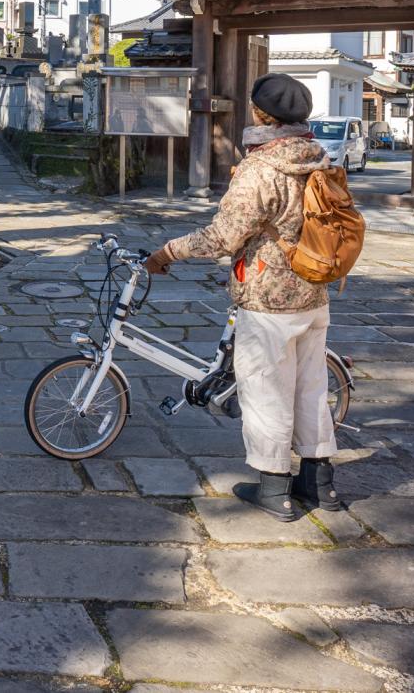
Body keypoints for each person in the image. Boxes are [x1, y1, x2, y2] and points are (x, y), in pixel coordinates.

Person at [143, 73, 341, 520]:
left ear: (258, 114)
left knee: (267, 393)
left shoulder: (260, 168)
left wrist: (167, 252)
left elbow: (225, 236)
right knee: (311, 390)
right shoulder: (318, 158)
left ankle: (275, 489)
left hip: (269, 297)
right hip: (314, 293)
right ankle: (319, 483)